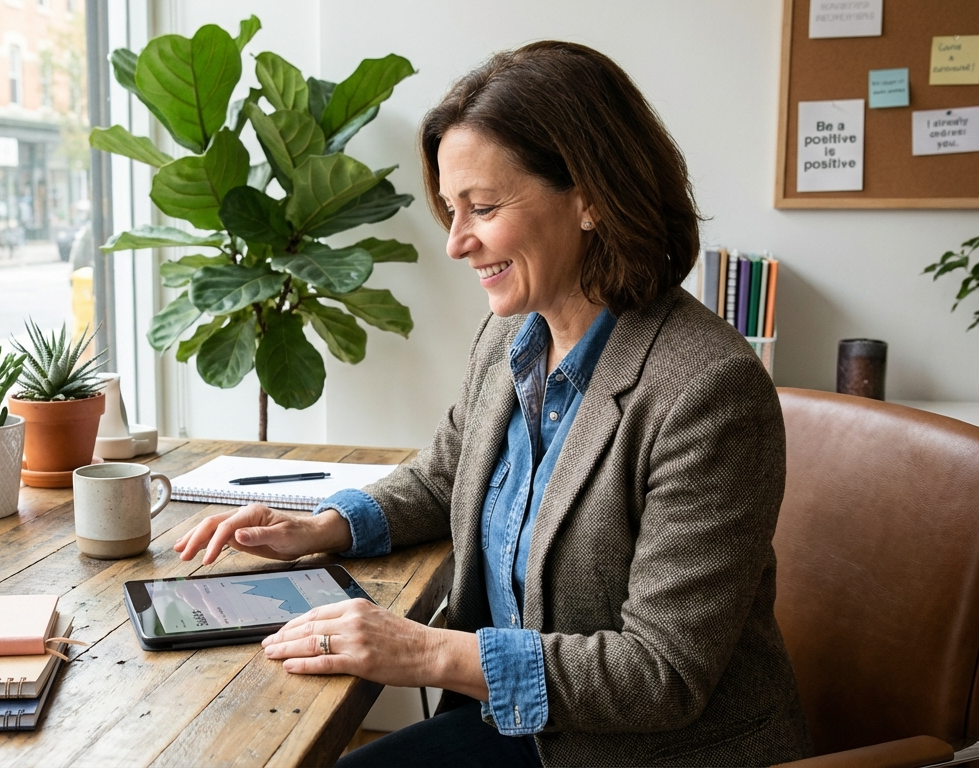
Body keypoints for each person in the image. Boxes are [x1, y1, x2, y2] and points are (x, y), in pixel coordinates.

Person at [174, 41, 813, 767]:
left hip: (644, 750)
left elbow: (659, 674)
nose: (455, 243)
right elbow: (449, 473)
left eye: (482, 207)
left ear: (591, 197)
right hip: (523, 725)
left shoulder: (706, 390)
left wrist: (423, 650)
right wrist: (318, 530)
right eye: (451, 210)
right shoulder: (514, 334)